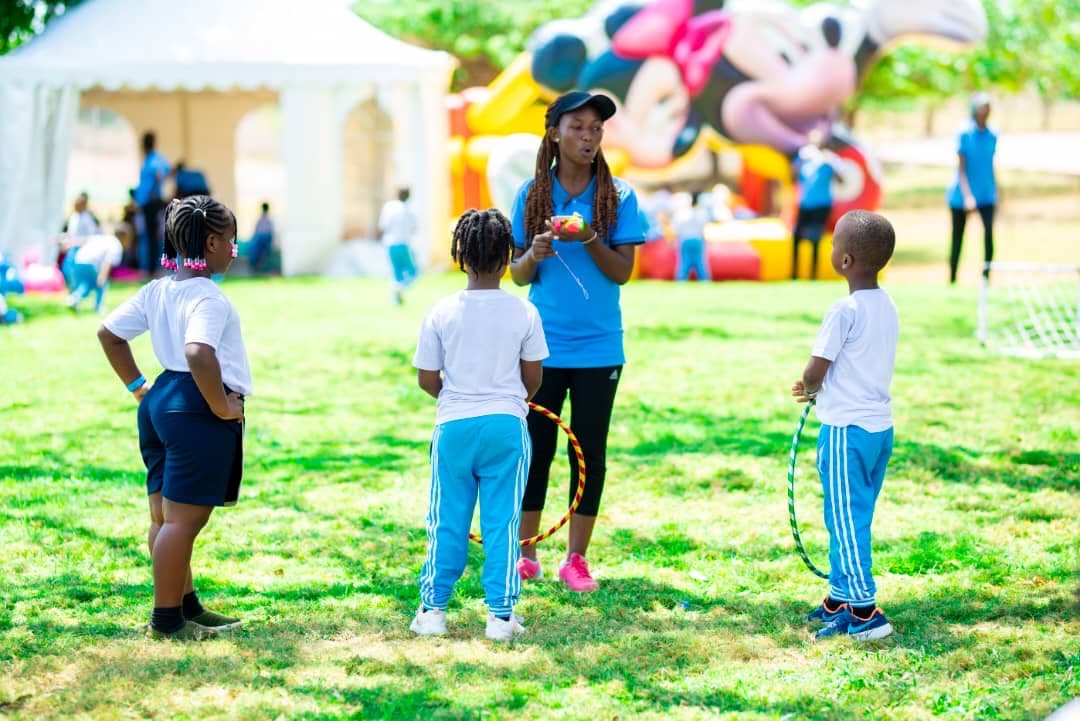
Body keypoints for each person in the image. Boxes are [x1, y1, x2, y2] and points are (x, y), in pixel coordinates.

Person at [509, 91, 646, 592]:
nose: (588, 137)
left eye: (596, 129)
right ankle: (525, 553)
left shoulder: (620, 198)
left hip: (599, 349)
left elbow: (624, 272)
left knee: (588, 452)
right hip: (540, 348)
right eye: (578, 127)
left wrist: (589, 237)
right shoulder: (530, 195)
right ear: (554, 133)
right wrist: (537, 253)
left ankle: (577, 559)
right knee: (535, 448)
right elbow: (518, 275)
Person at [97, 195, 250, 641]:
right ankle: (166, 622)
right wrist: (221, 406)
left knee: (166, 520)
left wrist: (137, 387)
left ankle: (186, 606)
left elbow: (109, 334)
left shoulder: (158, 289)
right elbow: (198, 352)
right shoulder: (209, 298)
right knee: (184, 523)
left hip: (161, 401)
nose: (234, 250)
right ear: (212, 242)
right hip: (195, 408)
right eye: (231, 241)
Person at [411, 208, 548, 642]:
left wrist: (458, 398)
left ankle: (433, 612)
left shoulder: (440, 311)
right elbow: (534, 378)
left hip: (454, 428)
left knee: (447, 520)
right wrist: (509, 401)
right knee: (502, 522)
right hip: (506, 427)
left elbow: (426, 378)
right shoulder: (524, 312)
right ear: (509, 256)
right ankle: (501, 618)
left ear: (460, 256)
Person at [791, 209, 898, 642]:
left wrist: (808, 386)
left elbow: (818, 367)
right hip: (878, 431)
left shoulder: (844, 309)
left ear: (846, 260)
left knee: (845, 518)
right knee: (855, 514)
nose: (832, 250)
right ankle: (838, 596)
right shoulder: (886, 304)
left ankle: (866, 611)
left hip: (844, 432)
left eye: (836, 244)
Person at [947, 92, 997, 284]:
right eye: (982, 107)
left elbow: (990, 165)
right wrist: (968, 196)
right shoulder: (964, 133)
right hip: (961, 195)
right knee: (958, 239)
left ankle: (986, 278)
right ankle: (952, 278)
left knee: (989, 236)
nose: (985, 111)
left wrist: (996, 191)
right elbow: (962, 169)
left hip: (986, 194)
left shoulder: (993, 134)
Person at [792, 128, 842, 280]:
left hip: (821, 204)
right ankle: (794, 273)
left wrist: (831, 164)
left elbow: (841, 180)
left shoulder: (829, 159)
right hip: (805, 203)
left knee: (815, 238)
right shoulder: (804, 158)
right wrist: (799, 162)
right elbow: (794, 178)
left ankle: (813, 275)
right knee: (796, 238)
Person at [135, 131, 171, 275]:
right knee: (151, 235)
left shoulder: (153, 160)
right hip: (147, 202)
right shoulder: (153, 159)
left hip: (151, 202)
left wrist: (154, 193)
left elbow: (159, 176)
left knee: (152, 236)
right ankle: (152, 267)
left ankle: (153, 268)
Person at [378, 188, 419, 305]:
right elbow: (414, 228)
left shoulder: (389, 207)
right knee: (413, 271)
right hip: (403, 244)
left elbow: (383, 225)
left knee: (396, 272)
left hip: (390, 244)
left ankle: (396, 298)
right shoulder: (409, 210)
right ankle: (400, 288)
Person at [65, 233, 124, 313]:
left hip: (78, 260)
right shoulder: (116, 245)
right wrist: (102, 276)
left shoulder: (102, 237)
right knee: (102, 284)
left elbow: (84, 241)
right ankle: (98, 307)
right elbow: (108, 262)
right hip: (91, 263)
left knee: (86, 285)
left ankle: (74, 298)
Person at [672, 190, 712, 282]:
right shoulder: (702, 212)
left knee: (684, 263)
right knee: (700, 263)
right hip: (698, 239)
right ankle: (704, 281)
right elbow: (704, 226)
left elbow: (676, 228)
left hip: (685, 239)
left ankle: (681, 281)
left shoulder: (682, 212)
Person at [248, 202, 275, 273]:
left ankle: (259, 268)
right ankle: (258, 268)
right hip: (264, 237)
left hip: (262, 237)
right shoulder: (268, 219)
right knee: (262, 253)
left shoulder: (263, 219)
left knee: (260, 252)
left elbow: (257, 230)